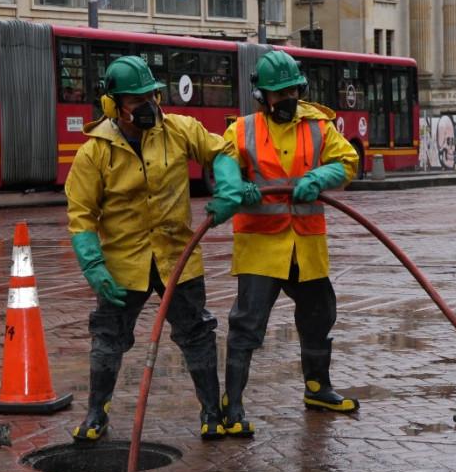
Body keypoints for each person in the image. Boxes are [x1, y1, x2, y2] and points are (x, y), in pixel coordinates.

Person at [65, 56, 243, 442]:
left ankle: (212, 412)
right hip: (121, 267)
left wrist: (229, 189)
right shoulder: (94, 153)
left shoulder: (180, 130)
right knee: (108, 339)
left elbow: (223, 151)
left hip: (178, 258)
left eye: (151, 95)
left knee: (196, 333)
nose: (148, 106)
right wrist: (93, 265)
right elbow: (81, 215)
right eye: (136, 100)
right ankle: (97, 414)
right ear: (113, 105)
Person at [211, 51, 360, 438]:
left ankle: (317, 389)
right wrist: (231, 187)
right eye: (277, 93)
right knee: (247, 324)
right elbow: (223, 163)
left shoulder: (318, 126)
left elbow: (348, 160)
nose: (286, 99)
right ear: (262, 95)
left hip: (305, 247)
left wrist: (322, 175)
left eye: (291, 90)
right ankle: (234, 404)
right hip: (262, 247)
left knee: (319, 314)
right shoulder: (240, 131)